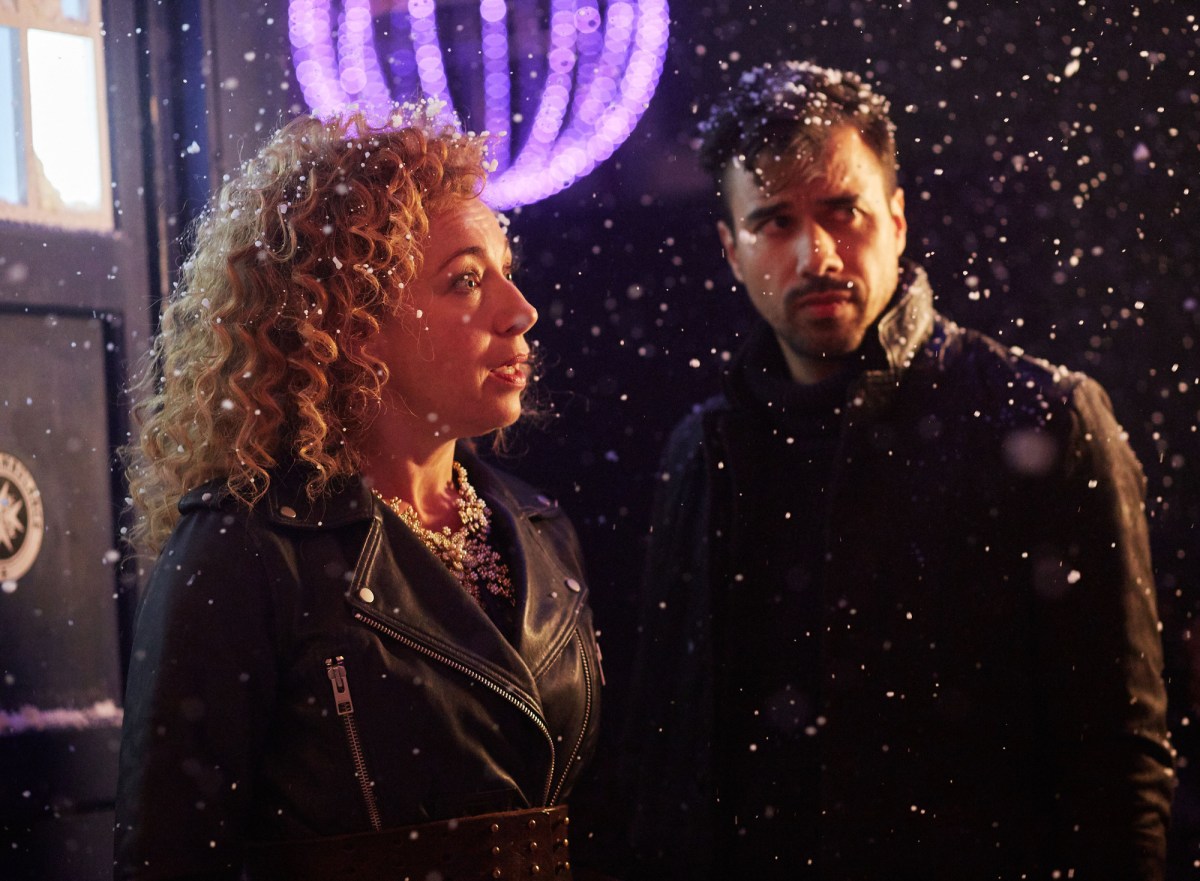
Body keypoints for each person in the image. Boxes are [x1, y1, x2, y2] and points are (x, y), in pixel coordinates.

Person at [625, 61, 1175, 879]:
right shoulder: (701, 451)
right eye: (775, 222)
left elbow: (1118, 757)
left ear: (897, 218)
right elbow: (666, 754)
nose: (817, 254)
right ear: (731, 251)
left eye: (841, 212)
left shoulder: (1044, 417)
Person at [114, 107, 600, 880]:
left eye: (507, 271)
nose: (521, 311)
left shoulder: (539, 528)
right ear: (353, 323)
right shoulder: (246, 550)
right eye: (466, 280)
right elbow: (167, 857)